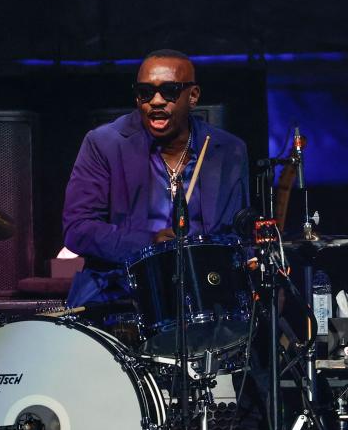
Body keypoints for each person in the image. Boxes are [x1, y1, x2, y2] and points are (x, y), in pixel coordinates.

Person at [62, 49, 249, 307]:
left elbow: (235, 236)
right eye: (145, 92)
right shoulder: (103, 144)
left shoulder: (227, 150)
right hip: (120, 292)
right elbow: (78, 229)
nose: (156, 101)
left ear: (193, 96)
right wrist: (149, 245)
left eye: (170, 91)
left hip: (202, 297)